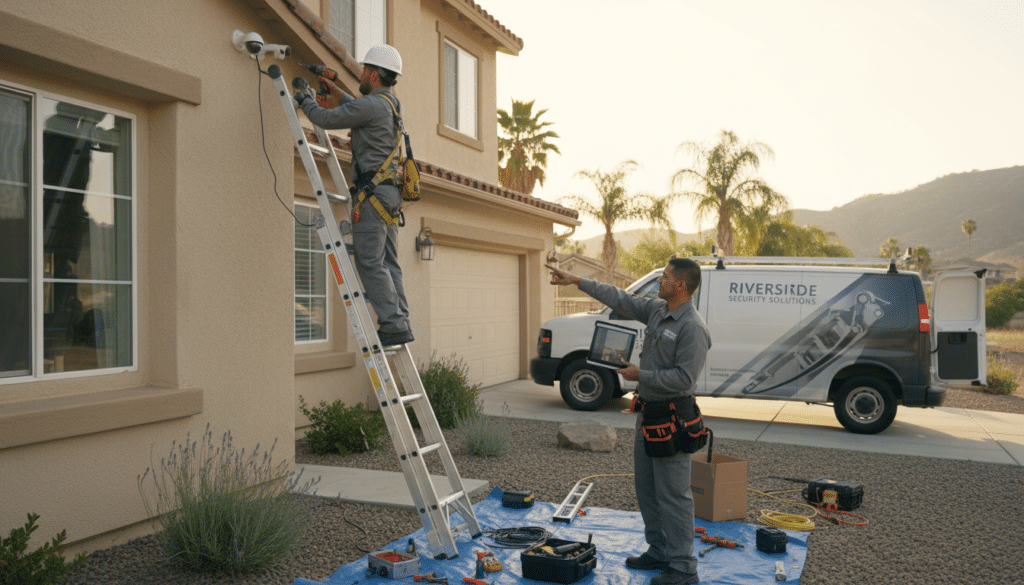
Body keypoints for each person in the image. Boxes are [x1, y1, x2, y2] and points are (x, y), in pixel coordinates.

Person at [546, 258, 711, 585]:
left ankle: (684, 570)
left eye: (664, 277)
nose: (659, 281)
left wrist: (641, 375)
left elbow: (684, 379)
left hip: (674, 419)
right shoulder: (658, 311)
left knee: (674, 496)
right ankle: (659, 551)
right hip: (649, 413)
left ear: (680, 285)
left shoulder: (692, 327)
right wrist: (576, 280)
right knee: (647, 489)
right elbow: (621, 298)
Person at [294, 45, 412, 346]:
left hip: (372, 198)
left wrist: (305, 100)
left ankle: (393, 323)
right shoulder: (390, 104)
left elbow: (325, 119)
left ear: (373, 74)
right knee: (388, 261)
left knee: (370, 262)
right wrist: (335, 92)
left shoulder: (372, 106)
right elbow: (357, 109)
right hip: (387, 195)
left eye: (363, 71)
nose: (360, 74)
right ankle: (400, 319)